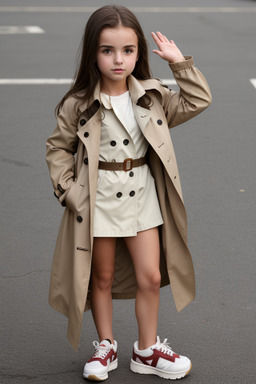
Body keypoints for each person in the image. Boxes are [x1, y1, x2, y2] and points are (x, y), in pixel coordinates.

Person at [46, 4, 212, 382]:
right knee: (100, 278)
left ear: (138, 53)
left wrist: (178, 64)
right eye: (107, 50)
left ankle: (147, 349)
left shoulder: (153, 96)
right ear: (93, 53)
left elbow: (198, 100)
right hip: (98, 200)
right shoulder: (78, 103)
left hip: (142, 197)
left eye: (128, 50)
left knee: (150, 276)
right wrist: (70, 192)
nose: (118, 60)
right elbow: (57, 149)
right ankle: (105, 345)